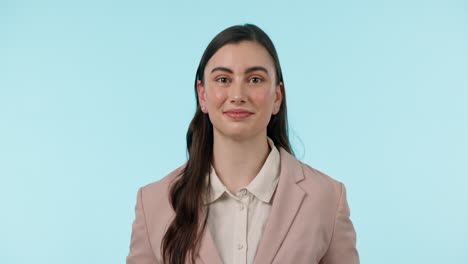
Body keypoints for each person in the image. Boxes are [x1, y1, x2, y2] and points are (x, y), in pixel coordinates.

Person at [126, 23, 359, 264]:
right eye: (223, 79)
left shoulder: (326, 199)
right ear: (202, 95)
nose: (238, 95)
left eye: (255, 79)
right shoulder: (154, 203)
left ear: (277, 97)